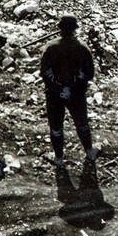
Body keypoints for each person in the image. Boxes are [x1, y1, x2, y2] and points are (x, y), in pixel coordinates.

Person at [39, 14, 97, 166]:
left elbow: (45, 72)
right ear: (75, 29)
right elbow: (89, 73)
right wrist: (71, 88)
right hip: (76, 94)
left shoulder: (51, 47)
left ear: (60, 29)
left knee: (56, 126)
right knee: (82, 123)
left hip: (54, 94)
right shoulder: (83, 48)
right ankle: (89, 152)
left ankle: (58, 158)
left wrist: (59, 88)